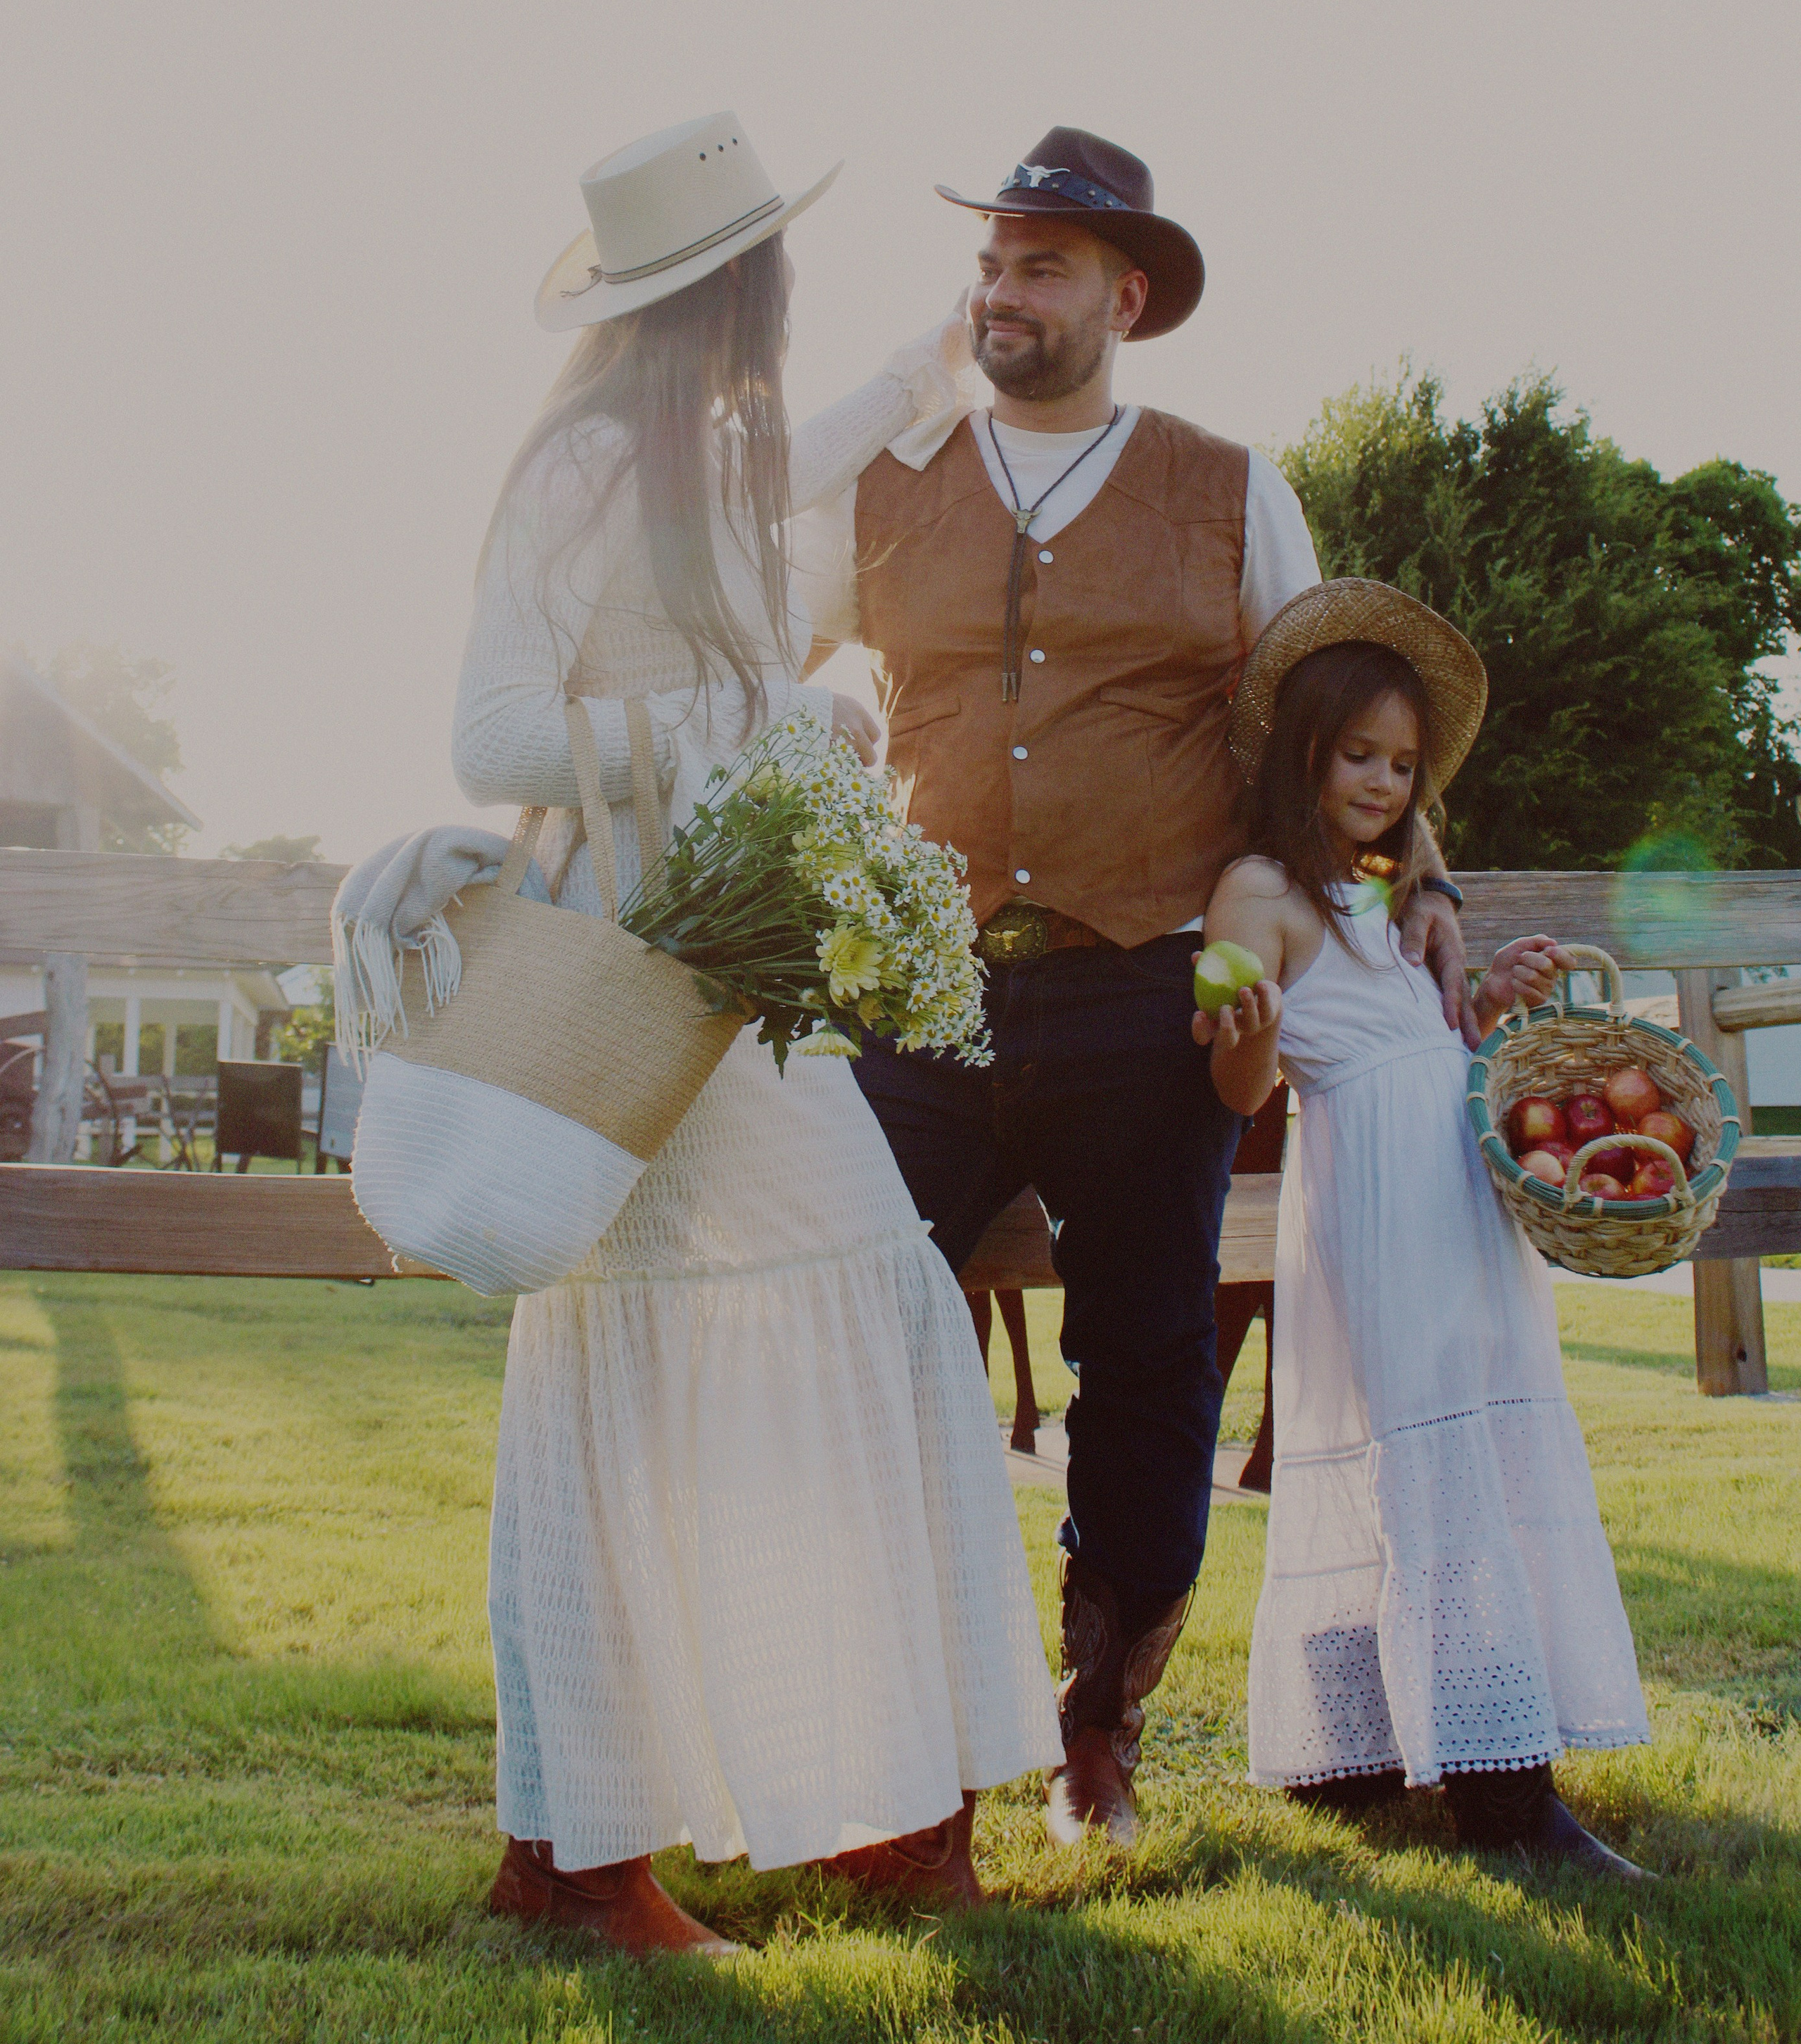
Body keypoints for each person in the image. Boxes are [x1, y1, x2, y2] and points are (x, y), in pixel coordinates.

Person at [796, 126, 1475, 1846]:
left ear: (1125, 293)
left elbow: (1327, 722)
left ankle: (1095, 1720)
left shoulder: (1223, 483)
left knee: (1153, 1360)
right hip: (919, 984)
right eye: (990, 261)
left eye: (1038, 265)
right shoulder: (887, 473)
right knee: (845, 1325)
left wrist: (1425, 872)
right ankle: (896, 1726)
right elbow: (760, 662)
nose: (998, 291)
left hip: (1146, 994)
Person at [454, 113, 1059, 1959]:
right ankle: (579, 1864)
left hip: (737, 973)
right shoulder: (576, 469)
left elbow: (809, 465)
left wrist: (936, 357)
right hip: (637, 973)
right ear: (732, 288)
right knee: (703, 1356)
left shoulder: (691, 458)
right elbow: (491, 735)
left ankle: (872, 1812)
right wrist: (735, 746)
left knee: (864, 1310)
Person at [1198, 579, 1653, 1878]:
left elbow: (1438, 1042)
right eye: (1359, 757)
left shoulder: (1398, 894)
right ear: (1303, 755)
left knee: (1475, 1430)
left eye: (1402, 764)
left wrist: (1489, 997)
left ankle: (1360, 1744)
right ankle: (1506, 1799)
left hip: (1459, 1193)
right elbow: (1237, 1085)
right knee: (1421, 1449)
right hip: (1378, 1201)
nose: (1385, 783)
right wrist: (1248, 1034)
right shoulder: (1258, 893)